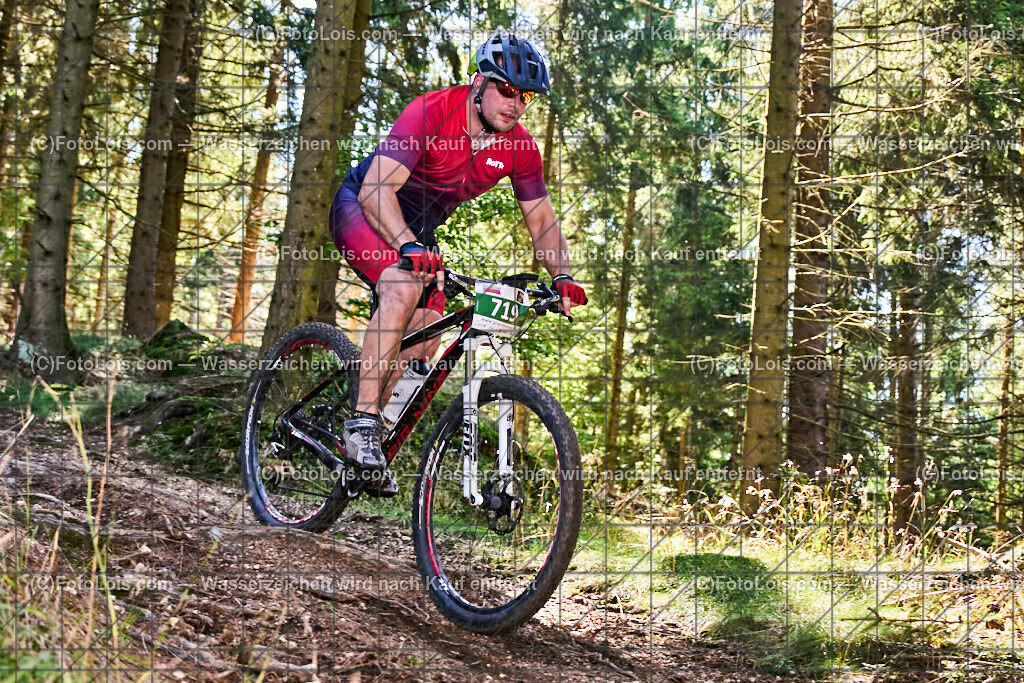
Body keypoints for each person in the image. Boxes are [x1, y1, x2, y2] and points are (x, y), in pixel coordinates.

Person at [328, 32, 587, 496]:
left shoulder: (519, 148)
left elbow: (542, 218)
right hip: (365, 206)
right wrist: (407, 245)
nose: (516, 104)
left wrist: (562, 276)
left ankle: (364, 447)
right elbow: (375, 191)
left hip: (417, 235)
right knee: (402, 290)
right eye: (507, 90)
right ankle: (362, 426)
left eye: (525, 96)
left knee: (427, 334)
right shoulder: (430, 112)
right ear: (477, 83)